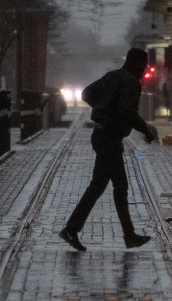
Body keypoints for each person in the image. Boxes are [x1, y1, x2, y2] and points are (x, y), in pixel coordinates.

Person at [60, 48, 159, 251]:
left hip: (101, 136)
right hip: (110, 139)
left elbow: (87, 93)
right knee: (116, 187)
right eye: (143, 65)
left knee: (104, 186)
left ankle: (73, 229)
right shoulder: (130, 82)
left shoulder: (112, 76)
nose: (144, 69)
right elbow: (127, 112)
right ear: (135, 63)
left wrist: (103, 107)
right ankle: (126, 235)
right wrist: (146, 129)